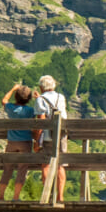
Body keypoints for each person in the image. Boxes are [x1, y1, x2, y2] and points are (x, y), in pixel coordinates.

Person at [0, 84, 36, 201]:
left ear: (16, 97)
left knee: (7, 169)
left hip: (12, 141)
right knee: (22, 169)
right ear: (28, 99)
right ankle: (16, 197)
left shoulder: (10, 108)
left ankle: (1, 196)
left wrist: (13, 88)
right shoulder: (30, 111)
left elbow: (4, 100)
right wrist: (37, 98)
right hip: (25, 142)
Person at [34, 75, 68, 203]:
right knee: (60, 165)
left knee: (46, 165)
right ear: (53, 86)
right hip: (61, 134)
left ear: (41, 87)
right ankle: (60, 196)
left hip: (47, 136)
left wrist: (37, 141)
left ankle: (47, 195)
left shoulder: (40, 100)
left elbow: (41, 121)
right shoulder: (61, 97)